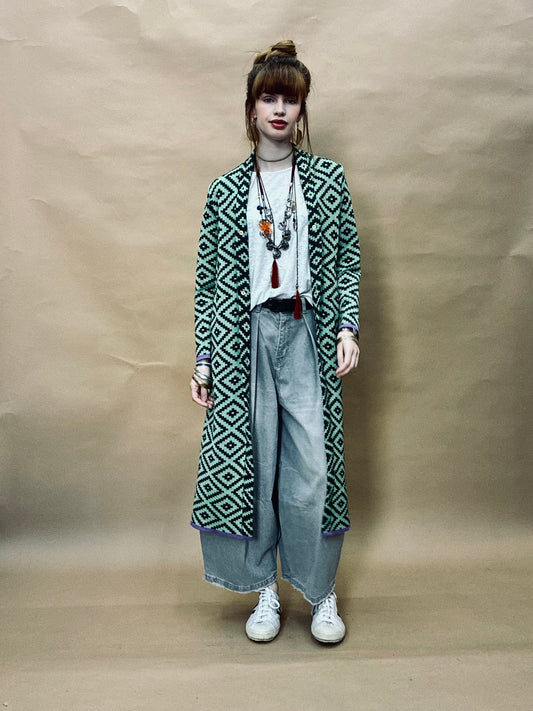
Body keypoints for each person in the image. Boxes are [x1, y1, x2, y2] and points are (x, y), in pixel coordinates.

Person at [189, 40, 361, 644]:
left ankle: (319, 592)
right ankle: (264, 589)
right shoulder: (224, 190)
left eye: (290, 99)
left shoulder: (329, 180)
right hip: (247, 338)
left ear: (302, 108)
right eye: (269, 98)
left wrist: (346, 326)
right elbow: (210, 279)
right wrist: (204, 358)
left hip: (308, 330)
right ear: (252, 107)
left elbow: (345, 259)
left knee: (312, 469)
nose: (280, 110)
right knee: (255, 467)